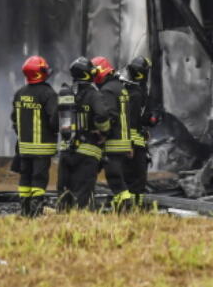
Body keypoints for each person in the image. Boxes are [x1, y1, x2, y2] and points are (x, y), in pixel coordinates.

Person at [57, 56, 112, 210]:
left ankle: (62, 226)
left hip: (66, 151)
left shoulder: (65, 94)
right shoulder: (93, 94)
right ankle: (81, 225)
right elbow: (102, 115)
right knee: (83, 196)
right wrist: (104, 131)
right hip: (87, 152)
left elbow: (57, 120)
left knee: (64, 195)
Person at [11, 55, 58, 217]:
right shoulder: (48, 94)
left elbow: (14, 120)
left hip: (24, 148)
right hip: (42, 148)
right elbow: (55, 120)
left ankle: (24, 210)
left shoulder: (19, 94)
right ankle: (36, 211)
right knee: (39, 178)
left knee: (25, 178)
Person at [93, 56, 134, 212]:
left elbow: (110, 115)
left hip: (113, 142)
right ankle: (121, 206)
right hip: (123, 141)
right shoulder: (120, 88)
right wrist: (129, 143)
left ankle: (125, 205)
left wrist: (102, 133)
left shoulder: (107, 90)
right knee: (116, 175)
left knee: (114, 176)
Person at [122, 56, 159, 209]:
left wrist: (150, 120)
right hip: (134, 147)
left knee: (136, 180)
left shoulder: (134, 91)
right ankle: (133, 209)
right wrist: (129, 144)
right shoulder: (136, 94)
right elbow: (130, 120)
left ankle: (133, 209)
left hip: (137, 144)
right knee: (136, 181)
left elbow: (139, 118)